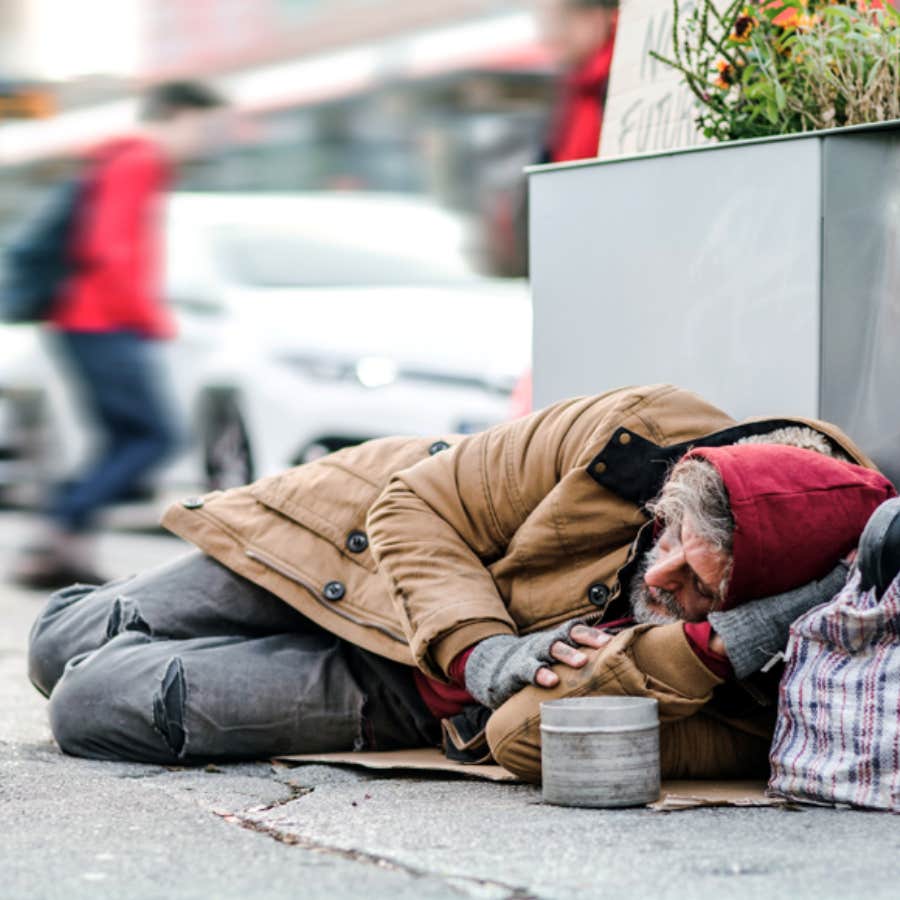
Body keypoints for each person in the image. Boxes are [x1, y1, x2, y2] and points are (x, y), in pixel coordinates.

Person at [27, 384, 896, 781]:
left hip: (401, 691)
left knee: (90, 704)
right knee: (57, 643)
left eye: (703, 587)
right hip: (355, 544)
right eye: (665, 537)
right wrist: (486, 654)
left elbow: (527, 739)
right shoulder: (642, 429)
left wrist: (713, 647)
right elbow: (416, 505)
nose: (661, 578)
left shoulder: (779, 687)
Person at [13, 81, 226, 590]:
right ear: (175, 115)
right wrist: (148, 318)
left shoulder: (126, 160)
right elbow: (110, 251)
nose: (208, 140)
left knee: (124, 437)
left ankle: (65, 550)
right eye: (205, 126)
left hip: (90, 319)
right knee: (155, 436)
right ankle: (59, 527)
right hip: (100, 321)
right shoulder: (138, 161)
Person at [541, 0, 619, 163]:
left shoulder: (618, 79)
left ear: (595, 16)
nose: (552, 35)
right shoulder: (579, 83)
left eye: (564, 20)